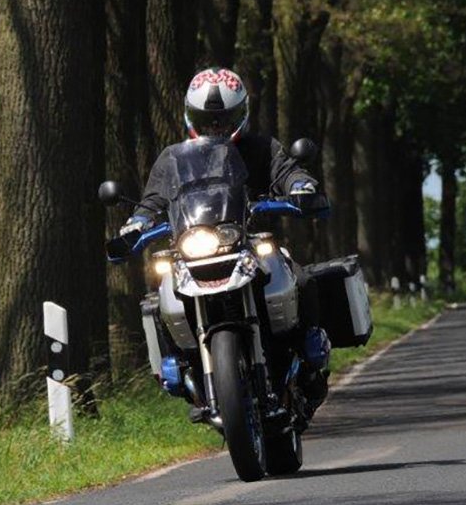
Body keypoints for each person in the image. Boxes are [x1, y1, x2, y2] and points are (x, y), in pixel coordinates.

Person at [121, 66, 331, 412]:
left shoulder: (261, 148)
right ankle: (186, 374)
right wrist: (138, 222)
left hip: (250, 243)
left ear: (240, 114)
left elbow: (286, 171)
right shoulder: (174, 159)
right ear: (191, 116)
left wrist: (300, 185)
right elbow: (154, 198)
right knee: (162, 299)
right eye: (207, 120)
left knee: (302, 279)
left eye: (223, 119)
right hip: (195, 246)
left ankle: (310, 366)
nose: (215, 127)